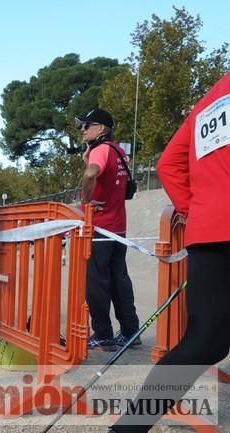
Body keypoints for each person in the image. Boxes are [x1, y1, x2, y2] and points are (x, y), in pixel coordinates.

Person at [108, 73, 230, 433]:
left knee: (204, 343)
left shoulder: (211, 99)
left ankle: (127, 429)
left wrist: (202, 208)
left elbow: (169, 164)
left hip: (209, 229)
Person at [77, 108, 140, 352]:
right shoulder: (118, 150)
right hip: (118, 228)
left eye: (87, 125)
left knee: (96, 283)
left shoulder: (100, 150)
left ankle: (103, 335)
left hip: (100, 228)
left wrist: (86, 201)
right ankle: (130, 332)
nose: (83, 130)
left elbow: (92, 173)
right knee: (119, 280)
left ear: (101, 129)